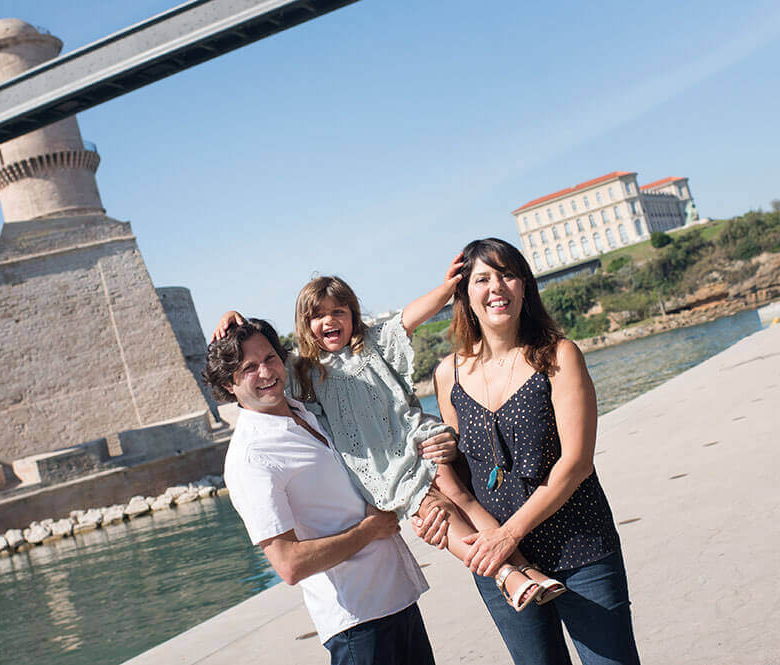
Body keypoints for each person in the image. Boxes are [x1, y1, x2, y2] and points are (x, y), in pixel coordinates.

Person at [215, 262, 565, 612]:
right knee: (433, 514)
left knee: (461, 496)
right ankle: (506, 575)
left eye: (339, 311)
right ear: (305, 325)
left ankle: (522, 565)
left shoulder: (373, 344)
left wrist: (446, 290)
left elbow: (410, 316)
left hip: (416, 440)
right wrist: (238, 318)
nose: (330, 320)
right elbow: (262, 358)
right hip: (384, 470)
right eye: (318, 316)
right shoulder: (304, 370)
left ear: (353, 314)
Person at [414, 237, 641, 665]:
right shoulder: (449, 373)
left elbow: (576, 463)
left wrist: (509, 533)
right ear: (464, 294)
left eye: (507, 275)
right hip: (500, 564)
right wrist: (436, 510)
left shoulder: (558, 355)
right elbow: (457, 472)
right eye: (482, 279)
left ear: (524, 287)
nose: (496, 287)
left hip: (580, 548)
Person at [204, 318, 435, 664]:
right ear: (229, 383)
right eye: (249, 368)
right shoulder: (251, 458)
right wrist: (370, 529)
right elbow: (289, 564)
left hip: (397, 599)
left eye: (270, 358)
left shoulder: (303, 410)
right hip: (358, 623)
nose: (266, 372)